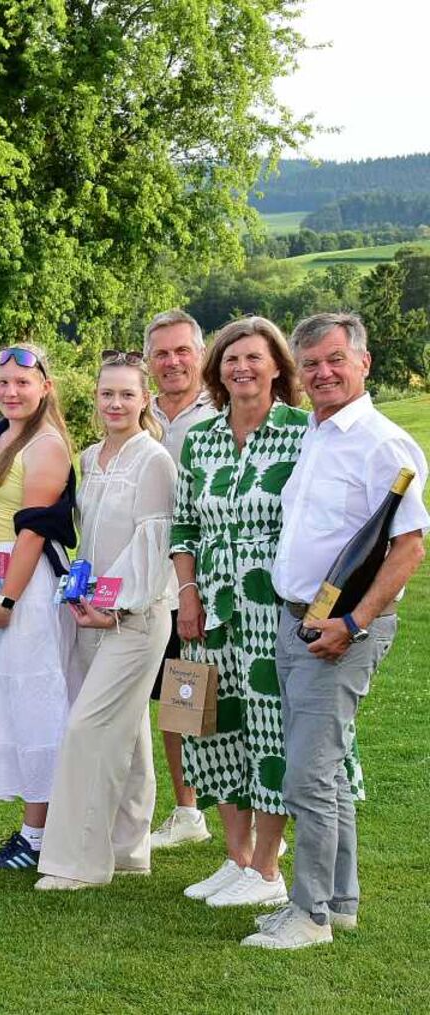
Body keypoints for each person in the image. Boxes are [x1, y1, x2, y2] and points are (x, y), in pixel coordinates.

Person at [248, 312, 427, 949]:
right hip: (297, 620)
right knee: (324, 769)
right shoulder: (316, 433)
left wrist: (353, 622)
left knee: (307, 775)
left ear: (363, 363)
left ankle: (309, 915)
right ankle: (340, 902)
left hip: (340, 633)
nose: (323, 373)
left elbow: (408, 546)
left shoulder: (382, 444)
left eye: (335, 360)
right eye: (311, 364)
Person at [171, 317, 317, 910]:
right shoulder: (201, 438)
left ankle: (267, 868)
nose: (242, 368)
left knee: (267, 728)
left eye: (254, 357)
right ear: (217, 370)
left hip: (272, 605)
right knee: (212, 726)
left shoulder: (302, 433)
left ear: (277, 366)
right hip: (209, 606)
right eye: (231, 359)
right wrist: (187, 594)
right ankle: (236, 857)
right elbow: (184, 525)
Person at [35, 353, 176, 889]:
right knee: (129, 733)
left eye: (126, 394)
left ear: (144, 399)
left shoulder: (154, 460)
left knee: (88, 729)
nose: (115, 404)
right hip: (90, 614)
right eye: (107, 394)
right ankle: (128, 847)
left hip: (135, 617)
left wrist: (113, 605)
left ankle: (76, 863)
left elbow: (152, 544)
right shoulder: (90, 457)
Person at [0, 343, 76, 872]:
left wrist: (8, 599)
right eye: (3, 382)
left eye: (22, 383)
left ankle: (38, 836)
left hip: (25, 583)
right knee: (7, 697)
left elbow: (33, 530)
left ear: (45, 387)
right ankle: (34, 827)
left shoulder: (47, 444)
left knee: (36, 701)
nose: (11, 392)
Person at [142, 310, 222, 852]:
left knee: (223, 697)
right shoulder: (138, 410)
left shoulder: (221, 410)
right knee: (175, 696)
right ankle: (188, 809)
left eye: (181, 351)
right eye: (161, 353)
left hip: (211, 576)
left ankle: (244, 811)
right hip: (155, 581)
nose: (172, 362)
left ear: (200, 353)